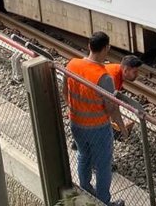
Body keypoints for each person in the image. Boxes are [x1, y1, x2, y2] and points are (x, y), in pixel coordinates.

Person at [65, 31, 128, 205]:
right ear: (106, 48)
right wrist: (122, 129)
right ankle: (104, 202)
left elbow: (65, 92)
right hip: (98, 128)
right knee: (103, 167)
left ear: (89, 46)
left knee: (84, 156)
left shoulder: (72, 64)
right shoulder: (104, 77)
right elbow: (111, 109)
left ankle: (85, 189)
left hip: (76, 123)